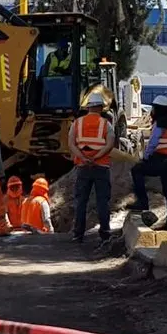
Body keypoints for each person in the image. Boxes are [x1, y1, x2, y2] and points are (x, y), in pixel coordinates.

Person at [128, 96, 167, 229]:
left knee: (137, 170)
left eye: (153, 108)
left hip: (164, 160)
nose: (151, 110)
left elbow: (152, 143)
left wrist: (145, 158)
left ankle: (142, 203)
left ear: (157, 109)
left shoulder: (159, 123)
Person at [68, 92, 114, 243]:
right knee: (102, 201)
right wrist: (96, 157)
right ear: (100, 107)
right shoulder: (106, 124)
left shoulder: (77, 123)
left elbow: (71, 143)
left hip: (83, 167)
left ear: (88, 107)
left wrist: (83, 157)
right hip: (101, 167)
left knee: (81, 201)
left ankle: (78, 234)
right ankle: (105, 233)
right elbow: (110, 144)